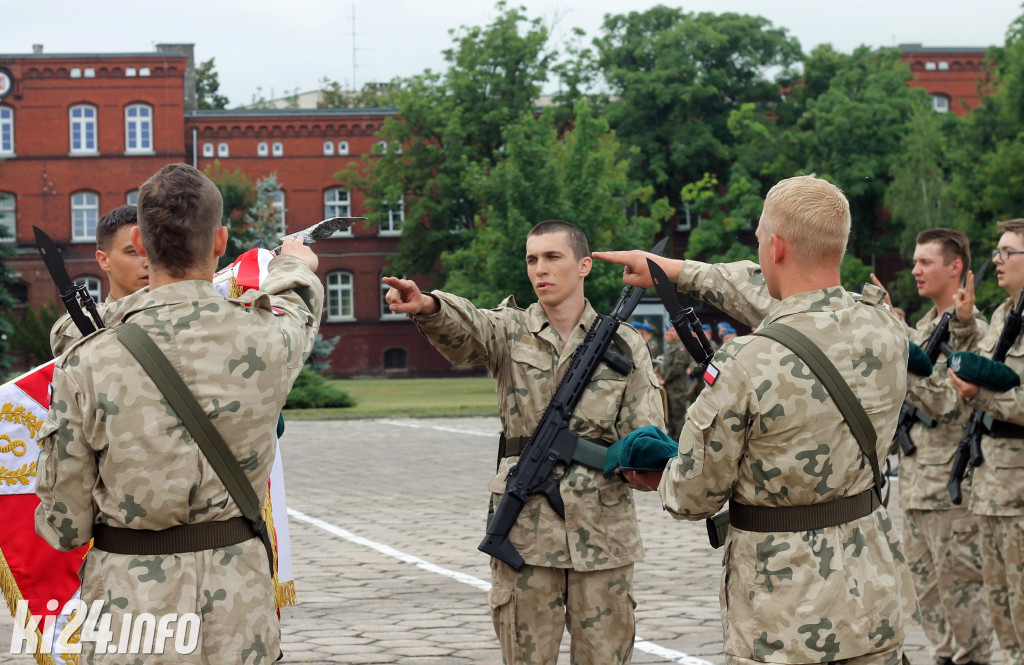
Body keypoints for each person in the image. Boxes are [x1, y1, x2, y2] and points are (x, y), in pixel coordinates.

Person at [594, 175, 919, 664]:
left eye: (761, 240)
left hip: (782, 618)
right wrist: (676, 270)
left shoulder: (744, 363)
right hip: (871, 603)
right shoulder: (888, 331)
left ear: (777, 246)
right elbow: (796, 304)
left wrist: (657, 467)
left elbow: (690, 497)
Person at [35, 163, 324, 664]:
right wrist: (294, 262)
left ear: (143, 246)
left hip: (132, 611)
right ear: (220, 242)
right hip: (240, 605)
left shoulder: (89, 360)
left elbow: (64, 528)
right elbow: (300, 303)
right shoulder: (270, 338)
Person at [383, 219, 665, 665]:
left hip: (602, 534)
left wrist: (647, 460)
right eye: (532, 259)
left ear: (584, 265)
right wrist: (428, 306)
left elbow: (646, 434)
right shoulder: (510, 329)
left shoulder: (625, 344)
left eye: (553, 257)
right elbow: (467, 327)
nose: (540, 269)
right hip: (526, 536)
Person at [875, 229, 994, 665]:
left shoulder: (974, 331)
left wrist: (903, 356)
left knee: (962, 596)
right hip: (917, 485)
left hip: (952, 488)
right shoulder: (925, 327)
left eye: (925, 262)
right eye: (914, 262)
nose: (915, 270)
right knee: (928, 598)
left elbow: (948, 400)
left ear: (955, 267)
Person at [948, 218, 1024, 665]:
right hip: (993, 485)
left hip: (1019, 490)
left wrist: (984, 397)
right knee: (1000, 603)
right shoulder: (1002, 315)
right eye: (997, 251)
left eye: (1007, 252)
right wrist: (961, 325)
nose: (996, 260)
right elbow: (981, 364)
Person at [49, 204, 149, 356]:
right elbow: (64, 336)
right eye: (133, 251)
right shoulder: (77, 326)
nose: (148, 261)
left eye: (153, 250)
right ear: (104, 260)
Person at [658, 322, 689, 439]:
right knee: (669, 419)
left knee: (678, 419)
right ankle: (672, 442)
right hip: (669, 389)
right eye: (668, 331)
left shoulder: (681, 347)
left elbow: (678, 367)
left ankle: (679, 445)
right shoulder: (672, 347)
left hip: (677, 389)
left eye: (672, 331)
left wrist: (664, 379)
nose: (669, 333)